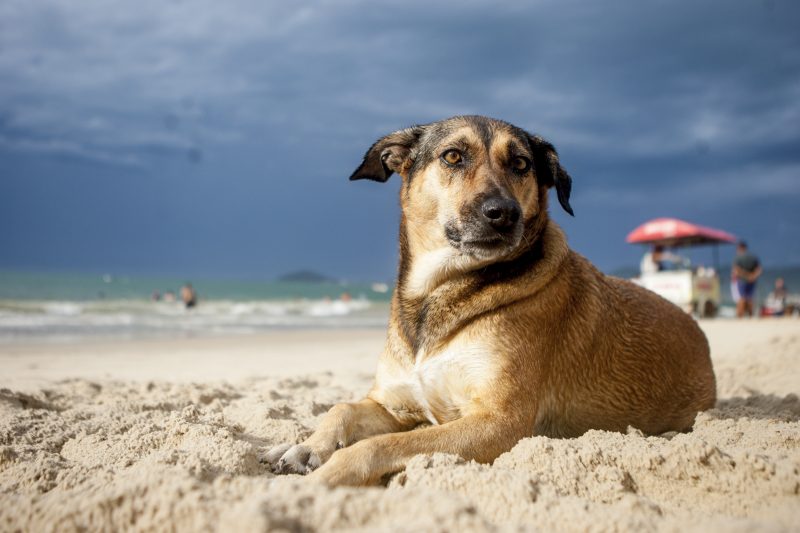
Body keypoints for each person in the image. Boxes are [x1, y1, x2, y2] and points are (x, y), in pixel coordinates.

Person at [732, 241, 762, 318]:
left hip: (742, 281)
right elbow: (759, 269)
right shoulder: (753, 257)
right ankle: (750, 316)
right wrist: (753, 276)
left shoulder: (738, 257)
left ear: (740, 248)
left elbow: (736, 270)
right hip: (752, 281)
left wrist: (746, 276)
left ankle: (740, 317)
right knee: (750, 299)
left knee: (741, 299)